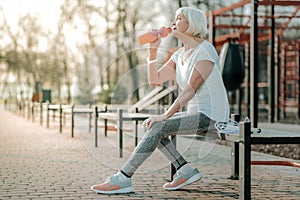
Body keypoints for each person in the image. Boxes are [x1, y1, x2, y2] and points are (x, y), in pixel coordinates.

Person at [91, 7, 229, 194]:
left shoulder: (205, 50)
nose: (173, 22)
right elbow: (155, 80)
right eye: (174, 18)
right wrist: (153, 52)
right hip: (194, 114)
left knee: (159, 125)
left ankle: (123, 178)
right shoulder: (179, 54)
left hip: (212, 115)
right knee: (152, 126)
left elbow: (190, 89)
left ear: (192, 25)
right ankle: (184, 169)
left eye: (179, 18)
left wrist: (164, 116)